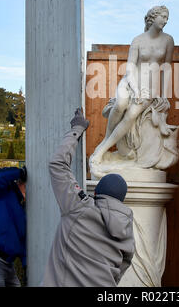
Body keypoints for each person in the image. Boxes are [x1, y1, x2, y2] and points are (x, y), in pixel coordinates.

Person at [42, 108, 135, 287]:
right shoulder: (127, 230)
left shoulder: (78, 207)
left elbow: (58, 165)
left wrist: (76, 129)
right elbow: (125, 263)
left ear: (96, 194)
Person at [90, 5, 174, 164]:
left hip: (149, 88)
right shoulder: (138, 40)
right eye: (163, 17)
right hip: (131, 82)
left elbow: (167, 68)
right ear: (152, 17)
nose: (165, 21)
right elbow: (130, 67)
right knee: (120, 104)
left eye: (167, 18)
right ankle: (105, 142)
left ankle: (101, 150)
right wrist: (135, 90)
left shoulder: (168, 40)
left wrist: (164, 94)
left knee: (130, 115)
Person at [0, 165, 27, 287]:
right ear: (20, 183)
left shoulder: (21, 210)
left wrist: (25, 264)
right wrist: (20, 172)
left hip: (9, 265)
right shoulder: (0, 192)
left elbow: (22, 240)